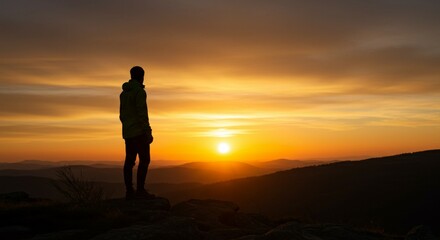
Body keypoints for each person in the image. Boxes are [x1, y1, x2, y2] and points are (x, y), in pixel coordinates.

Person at [119, 66, 155, 200]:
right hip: (139, 132)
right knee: (145, 160)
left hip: (128, 133)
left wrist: (127, 127)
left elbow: (122, 115)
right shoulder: (139, 92)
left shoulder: (124, 93)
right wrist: (148, 131)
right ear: (142, 76)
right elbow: (142, 114)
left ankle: (129, 191)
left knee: (129, 162)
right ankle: (140, 191)